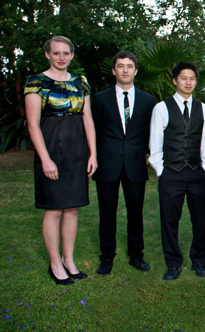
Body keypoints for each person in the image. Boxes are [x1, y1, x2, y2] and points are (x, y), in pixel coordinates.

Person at [24, 36, 97, 285]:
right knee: (54, 210)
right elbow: (33, 124)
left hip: (78, 151)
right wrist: (45, 159)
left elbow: (88, 119)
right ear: (48, 55)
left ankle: (69, 260)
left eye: (66, 53)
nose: (61, 57)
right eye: (56, 53)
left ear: (72, 55)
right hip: (52, 150)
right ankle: (55, 264)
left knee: (73, 208)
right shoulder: (36, 81)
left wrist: (93, 154)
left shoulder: (81, 82)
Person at [92, 51, 156, 275]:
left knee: (135, 212)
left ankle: (136, 256)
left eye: (129, 66)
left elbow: (151, 133)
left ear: (135, 70)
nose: (125, 70)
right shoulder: (100, 99)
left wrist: (153, 158)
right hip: (107, 163)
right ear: (114, 70)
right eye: (121, 66)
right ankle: (106, 257)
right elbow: (95, 131)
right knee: (107, 212)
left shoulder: (148, 101)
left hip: (135, 163)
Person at [149, 61, 205, 280]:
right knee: (169, 219)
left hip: (197, 172)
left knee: (199, 219)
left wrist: (204, 168)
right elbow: (155, 142)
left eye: (192, 78)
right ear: (175, 80)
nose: (188, 82)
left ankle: (200, 260)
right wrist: (161, 170)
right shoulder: (161, 107)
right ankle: (173, 263)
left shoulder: (203, 109)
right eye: (184, 78)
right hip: (171, 173)